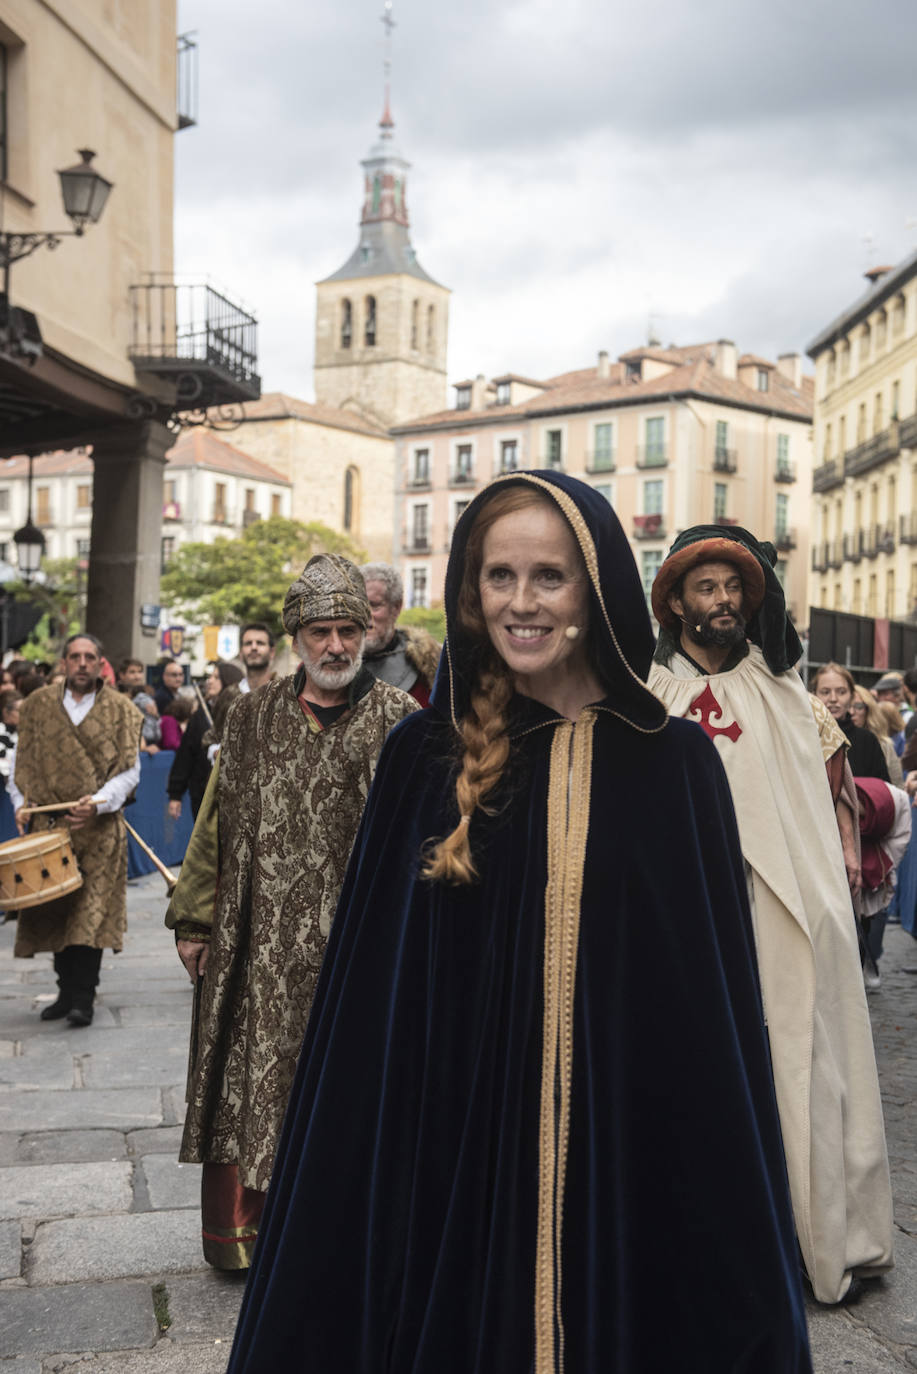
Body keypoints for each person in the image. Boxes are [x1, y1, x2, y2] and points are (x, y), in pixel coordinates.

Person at [226, 475, 811, 1373]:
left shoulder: (675, 765)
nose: (521, 603)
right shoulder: (422, 757)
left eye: (549, 577)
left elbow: (710, 1012)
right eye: (499, 576)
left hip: (625, 1150)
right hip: (454, 1147)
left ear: (597, 588)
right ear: (470, 591)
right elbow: (373, 1011)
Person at [648, 525, 894, 1305]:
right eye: (704, 587)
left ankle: (810, 1237)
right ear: (676, 602)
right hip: (684, 923)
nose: (720, 600)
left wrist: (824, 905)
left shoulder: (788, 700)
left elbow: (820, 813)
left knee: (799, 1075)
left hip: (781, 918)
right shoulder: (648, 701)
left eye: (731, 588)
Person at [164, 555, 419, 1270]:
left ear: (366, 632)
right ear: (295, 638)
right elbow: (214, 824)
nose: (334, 646)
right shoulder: (250, 716)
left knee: (352, 1089)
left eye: (346, 630)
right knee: (257, 1085)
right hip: (260, 942)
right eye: (319, 632)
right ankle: (250, 1238)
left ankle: (346, 1243)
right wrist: (195, 921)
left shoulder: (403, 723)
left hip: (360, 948)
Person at [8, 633, 141, 1026]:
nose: (82, 663)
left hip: (98, 829)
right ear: (63, 663)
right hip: (48, 827)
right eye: (74, 657)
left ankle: (84, 994)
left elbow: (131, 771)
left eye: (89, 657)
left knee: (91, 914)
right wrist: (21, 805)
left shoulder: (123, 710)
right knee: (57, 911)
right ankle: (65, 991)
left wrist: (98, 802)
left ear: (100, 664)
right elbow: (20, 765)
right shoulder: (35, 707)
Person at [166, 662, 243, 819]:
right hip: (202, 794)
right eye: (210, 676)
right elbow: (186, 754)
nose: (210, 681)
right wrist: (175, 794)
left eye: (216, 677)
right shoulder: (200, 715)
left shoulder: (242, 711)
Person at [360, 562, 440, 705]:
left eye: (375, 605)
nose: (365, 615)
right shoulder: (333, 664)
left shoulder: (426, 672)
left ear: (396, 607)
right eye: (359, 605)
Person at [811, 662, 890, 780]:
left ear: (852, 696)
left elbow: (881, 788)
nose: (833, 699)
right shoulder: (805, 737)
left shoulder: (867, 740)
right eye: (825, 692)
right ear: (814, 695)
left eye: (841, 692)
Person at [852, 687, 904, 786]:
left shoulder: (884, 744)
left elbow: (897, 786)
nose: (852, 712)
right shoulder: (831, 742)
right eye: (848, 706)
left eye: (858, 706)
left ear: (869, 710)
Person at [238, 622, 276, 694]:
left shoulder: (286, 691)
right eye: (248, 643)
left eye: (260, 643)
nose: (254, 647)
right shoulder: (228, 695)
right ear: (241, 653)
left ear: (272, 652)